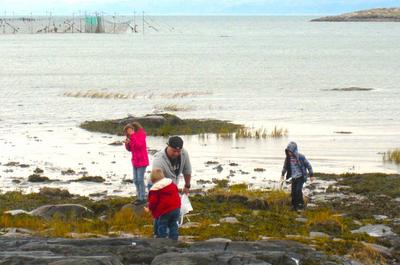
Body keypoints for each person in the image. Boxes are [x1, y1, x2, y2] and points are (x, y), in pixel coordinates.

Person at [146, 168, 181, 240]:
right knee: (173, 224)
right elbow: (176, 193)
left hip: (164, 210)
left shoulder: (155, 188)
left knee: (162, 225)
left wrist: (149, 208)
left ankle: (162, 239)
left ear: (153, 180)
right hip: (176, 208)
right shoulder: (171, 183)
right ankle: (174, 239)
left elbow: (153, 202)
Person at [281, 141, 314, 211]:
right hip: (293, 177)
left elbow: (308, 165)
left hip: (301, 177)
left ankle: (301, 204)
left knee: (298, 190)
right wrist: (282, 175)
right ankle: (294, 206)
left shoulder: (301, 157)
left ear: (294, 151)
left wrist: (311, 175)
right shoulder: (288, 158)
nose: (289, 153)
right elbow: (285, 167)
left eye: (290, 151)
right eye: (288, 151)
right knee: (293, 192)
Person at [124, 122, 149, 205]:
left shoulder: (141, 135)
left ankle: (142, 198)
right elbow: (131, 149)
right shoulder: (132, 137)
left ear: (134, 129)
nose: (129, 133)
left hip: (142, 161)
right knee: (135, 180)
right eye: (127, 132)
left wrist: (133, 135)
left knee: (140, 180)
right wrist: (127, 144)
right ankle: (139, 197)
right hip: (135, 161)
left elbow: (139, 145)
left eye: (130, 131)